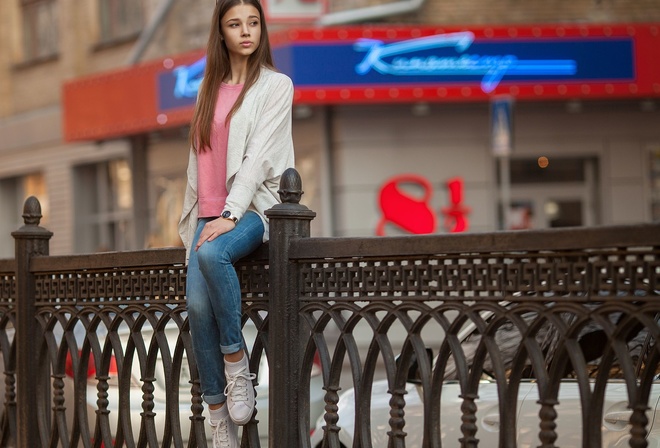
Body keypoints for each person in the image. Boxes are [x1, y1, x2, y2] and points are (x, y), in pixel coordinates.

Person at [177, 0, 295, 445]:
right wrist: (195, 218)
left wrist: (229, 214)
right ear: (221, 33)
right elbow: (197, 163)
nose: (245, 31)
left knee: (212, 253)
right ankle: (216, 411)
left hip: (248, 209)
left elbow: (259, 156)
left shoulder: (276, 86)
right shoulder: (208, 89)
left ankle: (236, 363)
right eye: (234, 24)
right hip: (207, 213)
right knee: (197, 308)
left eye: (252, 22)